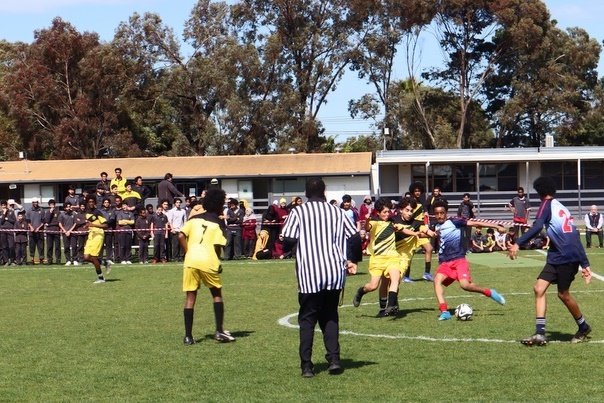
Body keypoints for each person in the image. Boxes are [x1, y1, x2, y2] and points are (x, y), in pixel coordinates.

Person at [281, 177, 361, 378]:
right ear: (324, 191)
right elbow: (354, 237)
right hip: (333, 272)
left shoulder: (298, 211)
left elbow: (289, 238)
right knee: (330, 316)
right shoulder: (337, 212)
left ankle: (307, 366)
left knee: (307, 319)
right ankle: (334, 360)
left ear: (306, 193)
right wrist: (353, 260)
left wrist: (287, 248)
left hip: (310, 274)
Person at [507, 176, 592, 346]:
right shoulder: (560, 206)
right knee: (539, 288)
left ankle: (583, 326)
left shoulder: (546, 205)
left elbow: (538, 226)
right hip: (557, 255)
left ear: (539, 192)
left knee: (563, 294)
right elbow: (574, 235)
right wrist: (585, 263)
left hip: (566, 257)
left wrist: (518, 243)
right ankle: (540, 334)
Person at [431, 200, 506, 321]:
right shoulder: (436, 226)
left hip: (459, 260)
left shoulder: (454, 222)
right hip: (445, 262)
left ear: (446, 213)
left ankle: (489, 292)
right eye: (437, 213)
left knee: (465, 285)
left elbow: (475, 222)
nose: (439, 215)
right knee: (437, 281)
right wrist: (418, 233)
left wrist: (497, 226)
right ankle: (444, 311)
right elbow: (434, 234)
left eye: (442, 213)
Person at [179, 190, 235, 345]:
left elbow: (180, 236)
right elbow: (217, 245)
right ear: (218, 205)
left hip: (190, 260)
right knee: (216, 293)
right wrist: (217, 262)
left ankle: (188, 337)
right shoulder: (218, 222)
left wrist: (188, 252)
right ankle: (219, 330)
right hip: (208, 260)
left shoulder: (193, 219)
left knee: (190, 297)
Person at [352, 198, 404, 315]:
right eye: (384, 212)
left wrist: (416, 233)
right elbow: (367, 228)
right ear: (378, 212)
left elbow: (404, 228)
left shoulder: (393, 222)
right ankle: (361, 291)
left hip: (392, 257)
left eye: (388, 211)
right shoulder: (374, 222)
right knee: (373, 286)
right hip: (377, 259)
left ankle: (390, 306)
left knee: (395, 279)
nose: (387, 214)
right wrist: (367, 219)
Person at [406, 182, 433, 282]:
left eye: (419, 191)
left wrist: (426, 224)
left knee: (429, 249)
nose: (417, 193)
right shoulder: (411, 203)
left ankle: (427, 273)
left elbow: (424, 216)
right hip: (413, 230)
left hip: (420, 229)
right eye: (415, 191)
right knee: (410, 253)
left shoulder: (421, 203)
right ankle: (406, 276)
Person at [82, 196, 111, 283]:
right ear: (87, 203)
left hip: (98, 235)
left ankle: (101, 278)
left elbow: (106, 225)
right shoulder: (87, 213)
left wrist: (93, 225)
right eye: (89, 201)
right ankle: (104, 262)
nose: (91, 203)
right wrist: (87, 226)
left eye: (92, 201)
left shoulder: (98, 213)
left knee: (94, 257)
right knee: (86, 257)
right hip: (91, 235)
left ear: (94, 203)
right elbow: (89, 223)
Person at [25, 197, 45, 264]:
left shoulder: (41, 210)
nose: (35, 203)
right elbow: (27, 221)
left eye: (36, 202)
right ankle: (32, 259)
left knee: (41, 246)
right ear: (32, 203)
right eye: (34, 202)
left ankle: (41, 259)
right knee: (32, 246)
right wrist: (31, 227)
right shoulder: (29, 210)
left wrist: (38, 228)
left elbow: (43, 221)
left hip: (39, 231)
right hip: (32, 232)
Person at [44, 199, 61, 265]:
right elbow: (47, 221)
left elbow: (58, 222)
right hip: (49, 231)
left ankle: (58, 260)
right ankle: (49, 260)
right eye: (50, 205)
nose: (52, 206)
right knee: (49, 247)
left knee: (57, 246)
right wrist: (50, 213)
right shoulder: (48, 212)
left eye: (53, 205)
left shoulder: (58, 212)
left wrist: (50, 224)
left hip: (56, 231)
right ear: (49, 205)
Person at [0, 199, 16, 266]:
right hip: (3, 231)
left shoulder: (11, 212)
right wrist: (4, 214)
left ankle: (12, 260)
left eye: (4, 205)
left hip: (10, 230)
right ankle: (6, 261)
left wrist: (8, 219)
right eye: (2, 205)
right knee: (4, 246)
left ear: (7, 205)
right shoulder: (0, 213)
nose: (3, 206)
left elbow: (14, 220)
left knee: (11, 246)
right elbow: (1, 222)